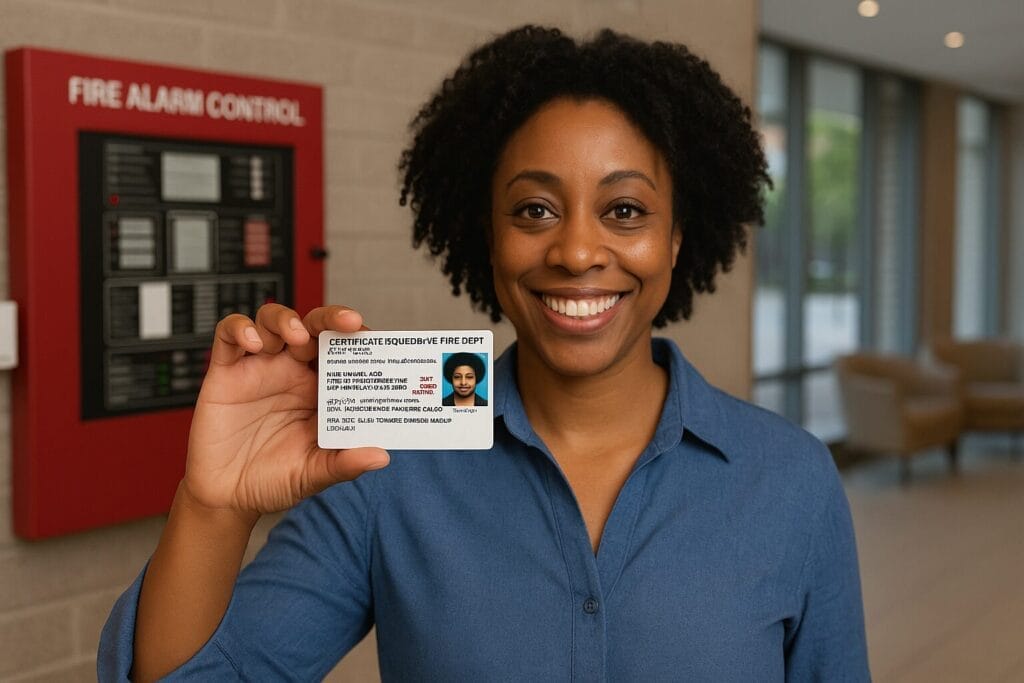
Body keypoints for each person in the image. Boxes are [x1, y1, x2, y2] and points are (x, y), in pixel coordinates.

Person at [99, 26, 870, 681]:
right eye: (534, 209)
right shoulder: (385, 468)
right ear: (487, 237)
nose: (574, 250)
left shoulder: (791, 480)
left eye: (624, 210)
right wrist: (215, 505)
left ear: (675, 239)